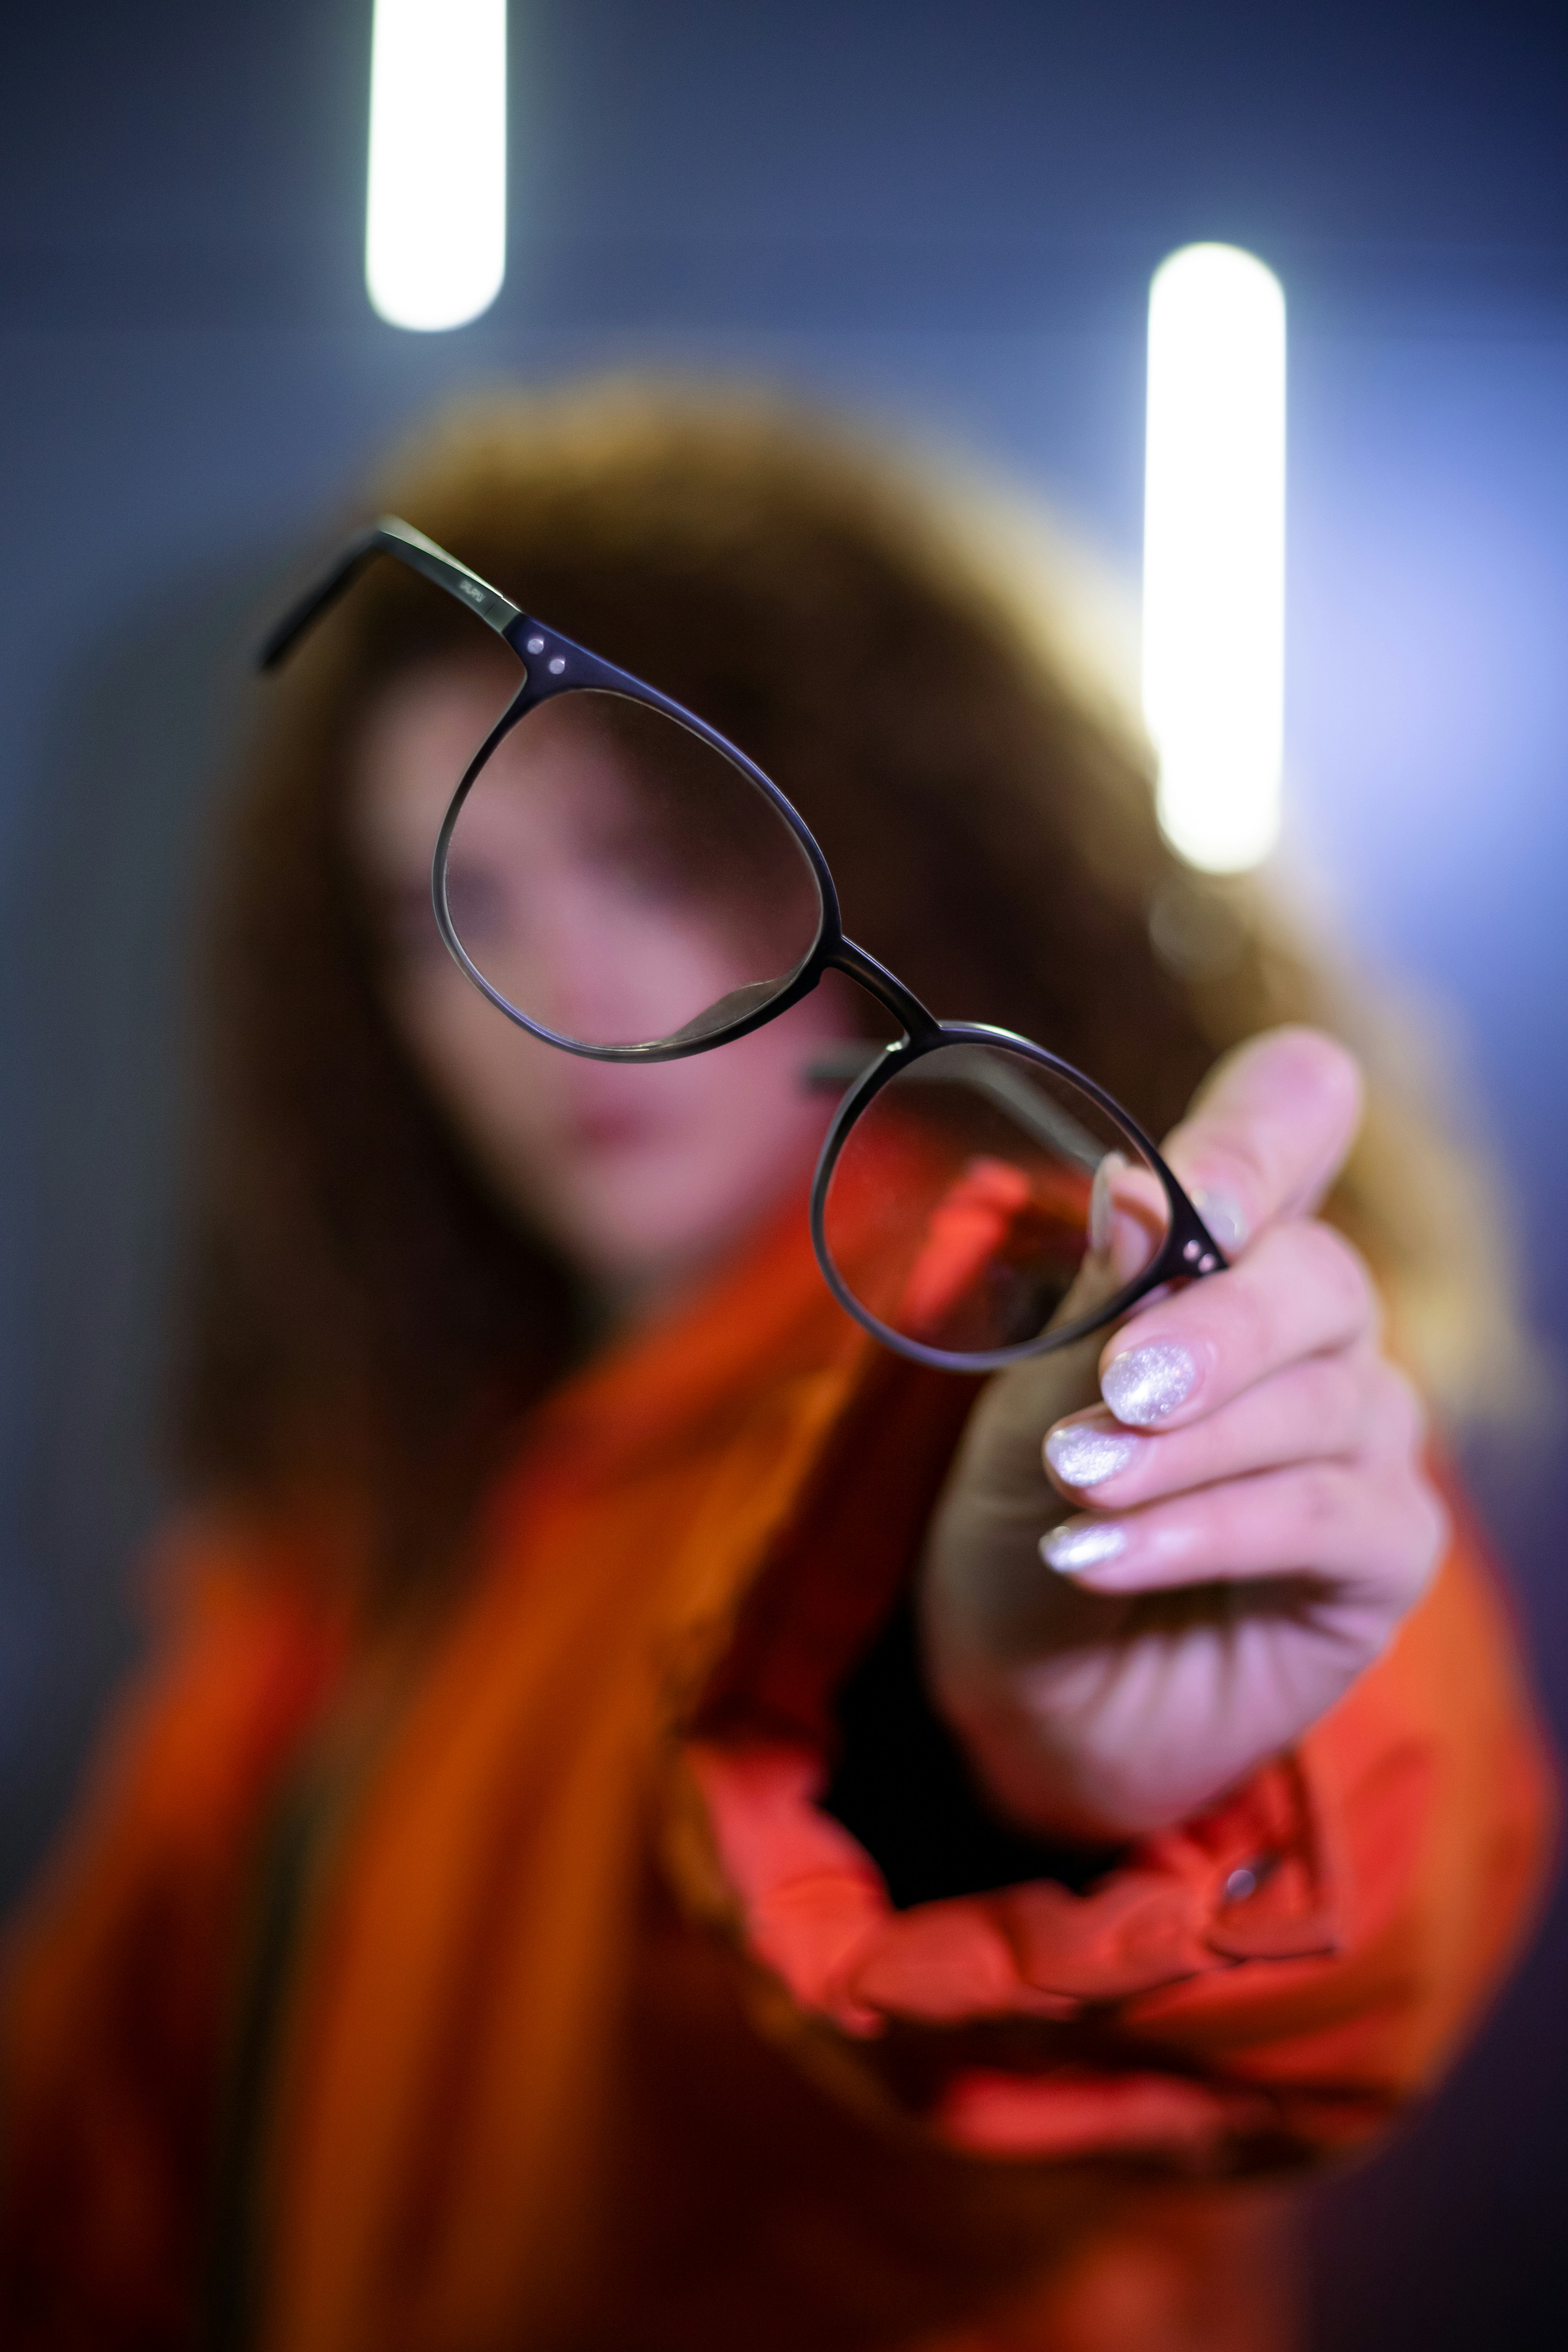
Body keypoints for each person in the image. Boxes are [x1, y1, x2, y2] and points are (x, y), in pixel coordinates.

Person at [0, 382, 1554, 2351]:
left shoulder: (1026, 1350)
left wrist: (1046, 1790)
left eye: (650, 864)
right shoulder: (362, 1527)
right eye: (442, 914)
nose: (554, 1004)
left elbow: (1316, 1908)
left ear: (895, 844)